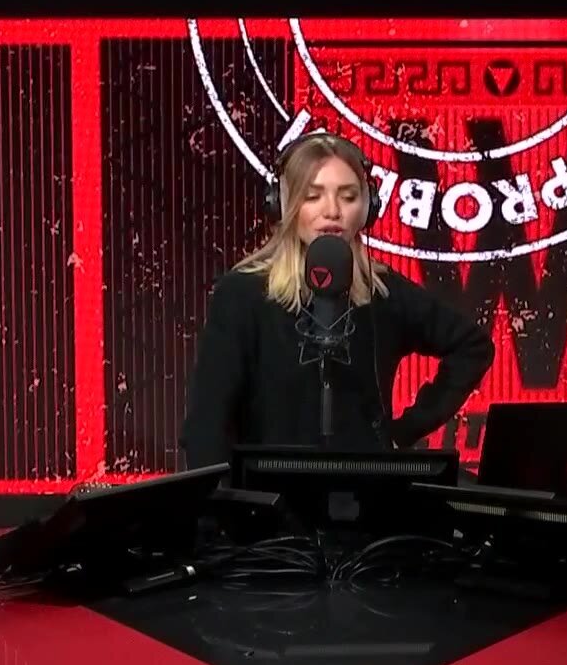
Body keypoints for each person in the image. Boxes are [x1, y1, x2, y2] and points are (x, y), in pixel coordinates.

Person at [179, 131, 494, 468]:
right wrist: (225, 496)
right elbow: (205, 425)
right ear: (283, 204)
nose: (332, 211)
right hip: (268, 493)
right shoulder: (241, 294)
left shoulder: (382, 291)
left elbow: (472, 346)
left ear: (368, 207)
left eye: (348, 196)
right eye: (312, 196)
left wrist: (405, 430)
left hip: (366, 490)